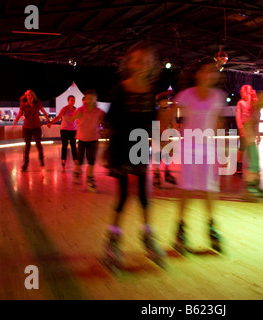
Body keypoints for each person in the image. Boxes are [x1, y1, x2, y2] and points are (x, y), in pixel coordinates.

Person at [102, 42, 166, 269]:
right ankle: (113, 240)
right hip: (120, 147)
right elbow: (109, 120)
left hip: (139, 147)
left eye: (146, 62)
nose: (142, 65)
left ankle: (148, 236)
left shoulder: (151, 91)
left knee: (144, 196)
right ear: (130, 63)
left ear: (151, 66)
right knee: (122, 197)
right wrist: (107, 148)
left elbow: (151, 122)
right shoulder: (121, 89)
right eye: (138, 61)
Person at [173, 58, 225, 255]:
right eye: (204, 71)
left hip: (208, 146)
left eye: (212, 71)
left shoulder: (218, 96)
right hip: (188, 145)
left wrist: (221, 148)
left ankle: (211, 226)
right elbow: (171, 114)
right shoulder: (185, 95)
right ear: (197, 74)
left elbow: (218, 122)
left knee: (209, 188)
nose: (208, 75)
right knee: (186, 187)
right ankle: (180, 227)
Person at [67, 90, 105, 191]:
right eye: (87, 98)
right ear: (85, 99)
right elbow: (70, 119)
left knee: (91, 160)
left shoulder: (99, 111)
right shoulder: (80, 110)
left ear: (95, 99)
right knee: (80, 159)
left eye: (91, 98)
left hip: (93, 138)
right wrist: (71, 115)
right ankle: (77, 172)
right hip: (82, 138)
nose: (89, 100)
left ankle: (90, 180)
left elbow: (105, 120)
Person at [240, 86, 263, 201]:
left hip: (251, 138)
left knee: (256, 165)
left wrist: (257, 136)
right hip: (249, 139)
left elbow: (254, 124)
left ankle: (256, 186)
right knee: (254, 165)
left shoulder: (257, 109)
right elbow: (247, 123)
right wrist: (249, 137)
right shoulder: (254, 109)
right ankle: (249, 189)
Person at [14, 90, 50, 172]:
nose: (30, 97)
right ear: (26, 97)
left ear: (34, 96)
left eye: (31, 95)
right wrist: (15, 122)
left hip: (36, 127)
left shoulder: (38, 104)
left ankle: (41, 158)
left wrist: (48, 120)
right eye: (28, 95)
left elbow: (44, 112)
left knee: (38, 143)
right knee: (27, 145)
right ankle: (25, 164)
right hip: (27, 127)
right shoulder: (23, 105)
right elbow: (19, 114)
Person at [152, 90, 178, 187]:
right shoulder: (157, 113)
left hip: (166, 137)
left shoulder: (169, 112)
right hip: (157, 136)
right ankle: (157, 173)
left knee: (167, 156)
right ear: (159, 103)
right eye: (162, 101)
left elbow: (173, 123)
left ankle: (166, 171)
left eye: (166, 101)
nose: (164, 103)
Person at [49, 95, 78, 169]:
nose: (73, 102)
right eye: (71, 100)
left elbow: (78, 120)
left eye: (74, 100)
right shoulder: (64, 109)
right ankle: (63, 159)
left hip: (73, 130)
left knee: (73, 145)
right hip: (64, 130)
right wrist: (51, 122)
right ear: (68, 101)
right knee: (65, 145)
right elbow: (58, 117)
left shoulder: (76, 109)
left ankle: (75, 159)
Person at [235, 85, 258, 175]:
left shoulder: (252, 101)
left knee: (252, 147)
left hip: (251, 127)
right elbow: (238, 116)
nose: (241, 94)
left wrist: (254, 97)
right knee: (242, 147)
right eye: (240, 92)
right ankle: (239, 165)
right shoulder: (240, 103)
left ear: (247, 92)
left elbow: (256, 111)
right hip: (244, 127)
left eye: (242, 92)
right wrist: (240, 128)